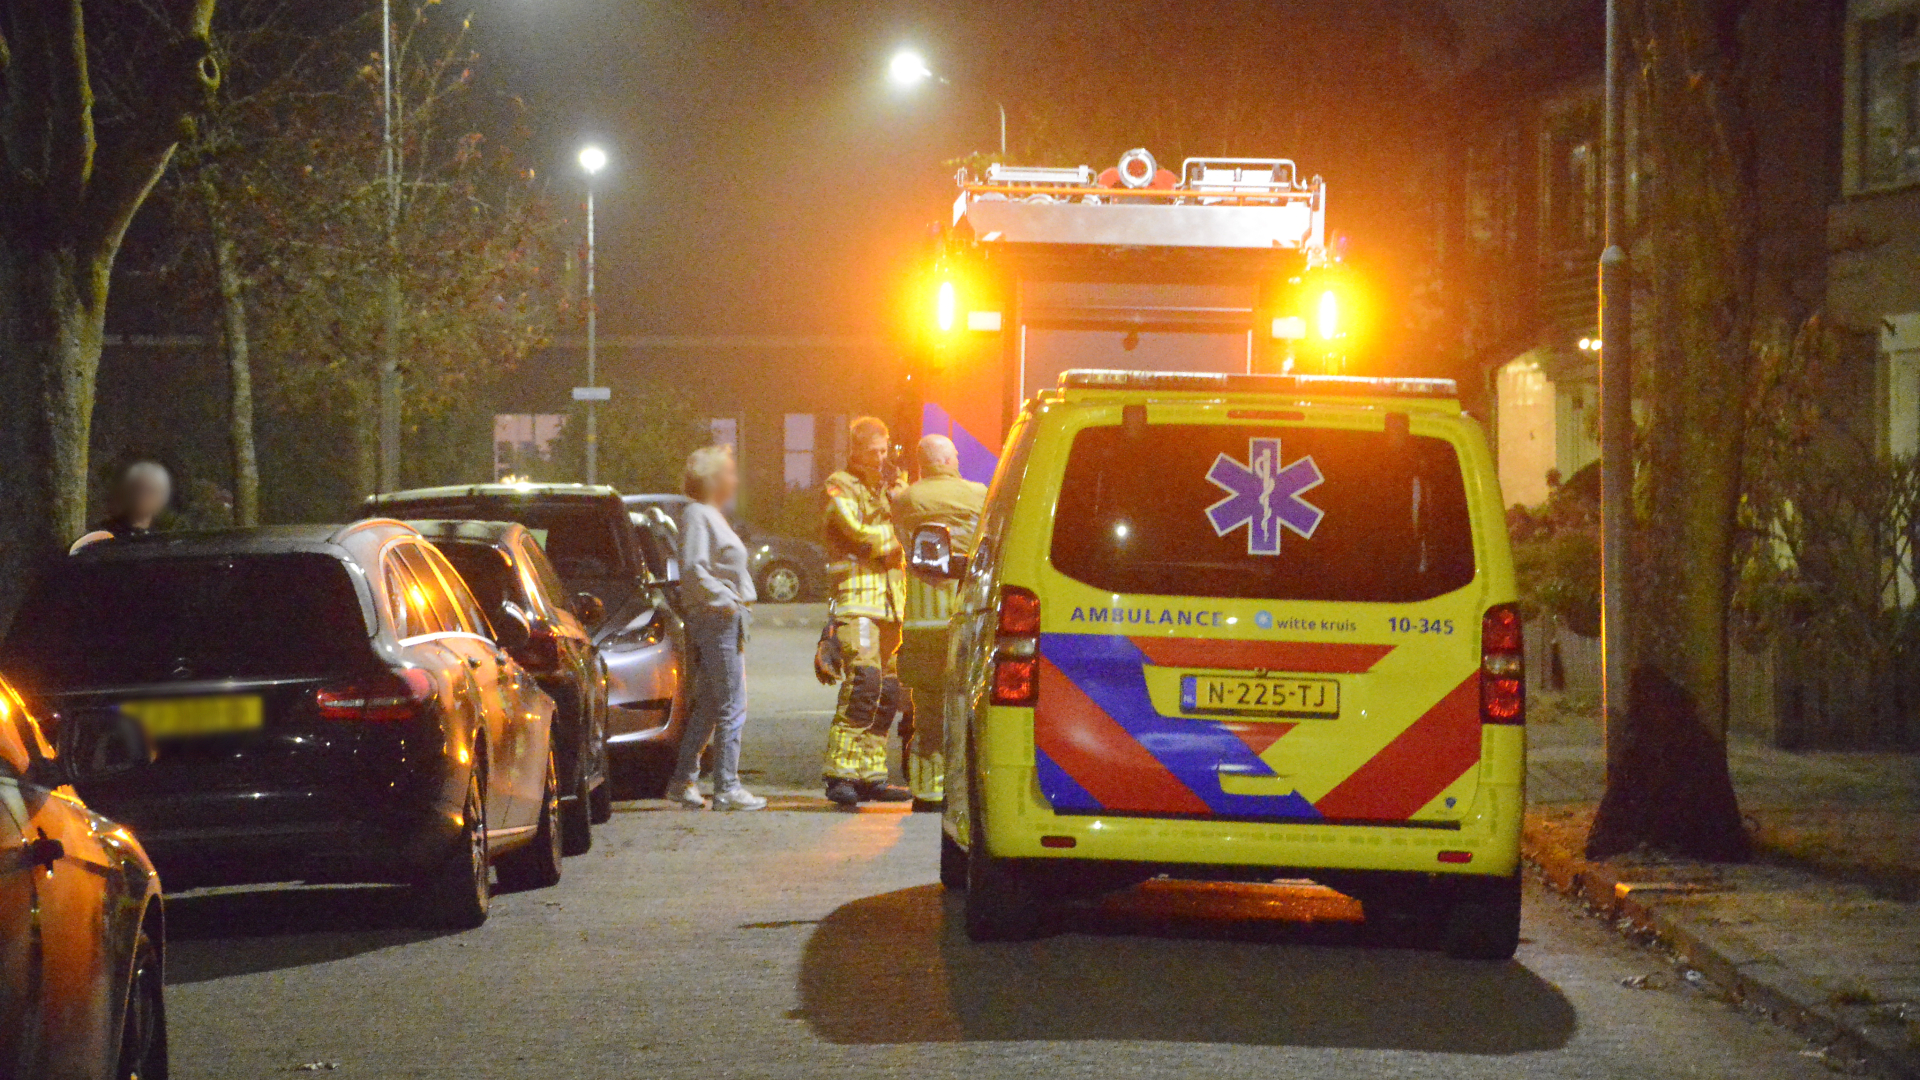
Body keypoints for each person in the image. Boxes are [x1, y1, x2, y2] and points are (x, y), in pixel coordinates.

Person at [819, 416, 912, 807]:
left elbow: (911, 521)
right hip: (857, 599)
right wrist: (892, 539)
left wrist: (900, 495)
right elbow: (853, 527)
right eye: (871, 450)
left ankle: (871, 774)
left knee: (888, 691)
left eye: (883, 449)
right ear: (855, 450)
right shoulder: (839, 484)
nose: (879, 457)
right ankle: (840, 773)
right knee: (863, 682)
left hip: (891, 602)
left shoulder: (893, 486)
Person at [667, 445, 767, 812]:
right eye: (728, 472)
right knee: (732, 703)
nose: (734, 479)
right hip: (718, 619)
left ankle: (684, 780)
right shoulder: (698, 515)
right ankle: (727, 786)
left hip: (720, 616)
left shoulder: (707, 514)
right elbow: (693, 568)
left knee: (710, 703)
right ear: (712, 478)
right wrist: (726, 602)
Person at [892, 434, 987, 813]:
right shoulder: (980, 494)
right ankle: (963, 789)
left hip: (923, 621)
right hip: (966, 617)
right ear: (952, 459)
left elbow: (904, 543)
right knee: (968, 706)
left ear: (921, 463)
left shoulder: (906, 500)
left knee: (928, 711)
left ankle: (928, 794)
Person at [91, 459, 172, 539]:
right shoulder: (104, 533)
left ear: (162, 497)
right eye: (138, 489)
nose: (142, 496)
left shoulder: (163, 534)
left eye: (150, 491)